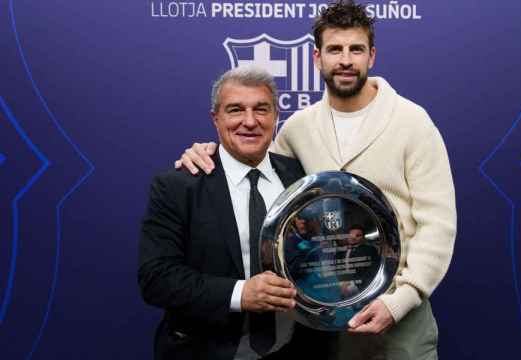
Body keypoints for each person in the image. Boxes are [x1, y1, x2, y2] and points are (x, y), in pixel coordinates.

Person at [174, 1, 457, 359]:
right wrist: (205, 151)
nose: (345, 60)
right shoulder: (297, 128)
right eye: (334, 49)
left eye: (355, 49)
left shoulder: (412, 122)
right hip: (320, 320)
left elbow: (439, 224)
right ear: (316, 58)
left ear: (371, 56)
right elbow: (256, 170)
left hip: (396, 316)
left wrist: (401, 300)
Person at [138, 66, 326, 359]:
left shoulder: (301, 178)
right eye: (236, 110)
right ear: (216, 119)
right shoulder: (178, 184)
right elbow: (156, 279)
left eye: (261, 109)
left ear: (276, 116)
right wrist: (240, 294)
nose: (249, 121)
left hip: (294, 350)